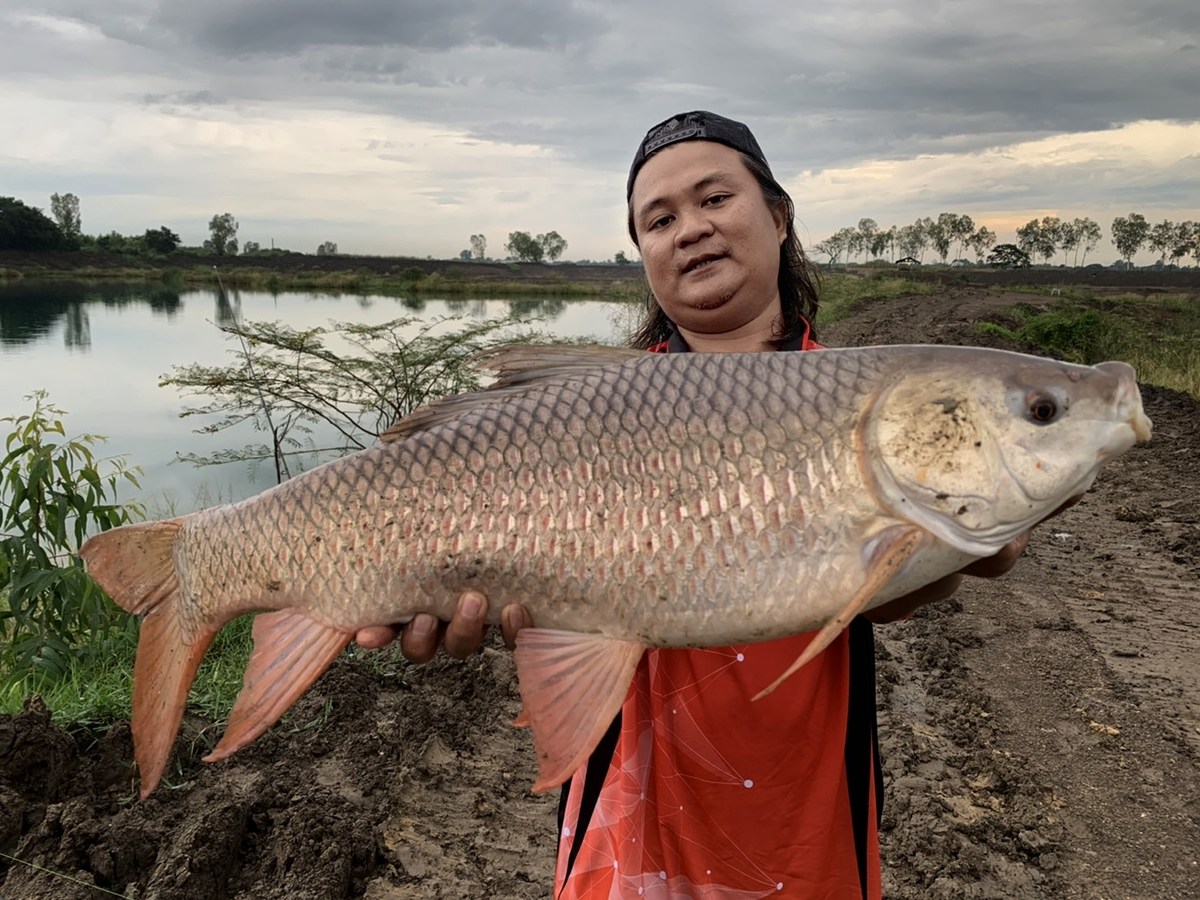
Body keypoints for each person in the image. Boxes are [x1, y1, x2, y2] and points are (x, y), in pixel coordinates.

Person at [355, 110, 1035, 898]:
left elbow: (948, 553)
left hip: (801, 773)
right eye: (660, 218)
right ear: (642, 252)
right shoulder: (592, 403)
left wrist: (966, 542)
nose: (691, 230)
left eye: (715, 199)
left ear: (778, 216)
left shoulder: (863, 393)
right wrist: (427, 577)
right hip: (635, 771)